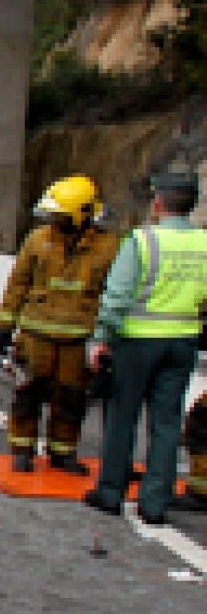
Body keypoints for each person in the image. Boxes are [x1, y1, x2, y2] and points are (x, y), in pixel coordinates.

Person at [84, 172, 207, 524]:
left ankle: (110, 492)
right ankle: (155, 503)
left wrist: (102, 338)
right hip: (183, 342)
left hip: (136, 342)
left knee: (123, 417)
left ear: (158, 203)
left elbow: (118, 296)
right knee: (167, 423)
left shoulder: (142, 240)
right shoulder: (204, 243)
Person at [0, 175, 119, 474]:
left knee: (72, 398)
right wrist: (3, 328)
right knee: (28, 392)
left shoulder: (108, 246)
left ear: (81, 214)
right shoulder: (38, 239)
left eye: (60, 214)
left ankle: (62, 453)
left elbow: (115, 293)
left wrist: (108, 339)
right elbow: (17, 285)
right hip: (36, 333)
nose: (54, 219)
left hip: (78, 338)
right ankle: (22, 450)